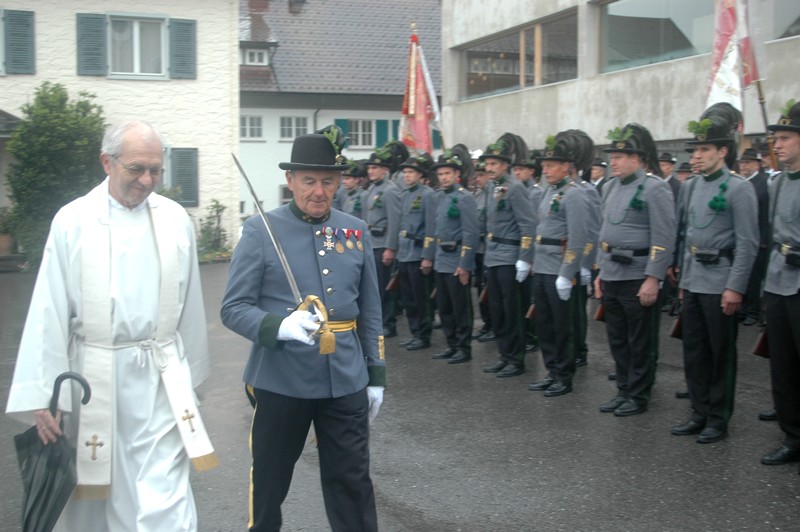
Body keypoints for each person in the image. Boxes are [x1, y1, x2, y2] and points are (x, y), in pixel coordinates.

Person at [6, 120, 213, 530]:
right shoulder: (73, 221)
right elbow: (48, 309)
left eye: (155, 170)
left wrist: (190, 378)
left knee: (165, 499)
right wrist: (45, 393)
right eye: (136, 169)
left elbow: (189, 305)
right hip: (97, 380)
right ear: (107, 162)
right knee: (98, 498)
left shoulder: (174, 219)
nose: (147, 180)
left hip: (160, 377)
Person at [221, 128, 385, 531]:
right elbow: (233, 308)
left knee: (352, 482)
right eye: (309, 180)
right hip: (282, 380)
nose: (318, 191)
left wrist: (376, 374)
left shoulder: (354, 230)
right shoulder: (261, 230)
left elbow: (370, 309)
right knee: (270, 481)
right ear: (290, 180)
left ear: (339, 181)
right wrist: (279, 326)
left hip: (345, 378)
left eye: (327, 181)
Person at [670, 103, 758, 444]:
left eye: (704, 149)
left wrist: (735, 287)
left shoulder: (738, 188)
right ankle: (699, 411)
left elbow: (748, 243)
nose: (696, 156)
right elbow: (685, 234)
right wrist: (682, 281)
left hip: (720, 279)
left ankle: (718, 418)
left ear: (722, 151)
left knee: (720, 353)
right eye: (695, 150)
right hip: (694, 279)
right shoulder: (691, 186)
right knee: (694, 350)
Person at [594, 123, 675, 417]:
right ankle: (624, 389)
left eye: (619, 156)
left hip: (637, 275)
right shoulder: (609, 187)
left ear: (637, 158)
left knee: (640, 340)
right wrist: (600, 272)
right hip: (612, 272)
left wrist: (653, 278)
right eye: (612, 156)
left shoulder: (655, 188)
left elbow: (664, 237)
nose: (613, 162)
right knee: (617, 338)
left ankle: (638, 395)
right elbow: (603, 232)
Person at [527, 132, 590, 397]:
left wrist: (567, 272)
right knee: (545, 324)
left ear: (566, 166)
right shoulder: (549, 192)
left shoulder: (574, 195)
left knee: (563, 326)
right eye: (544, 166)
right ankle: (551, 370)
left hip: (558, 268)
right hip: (542, 266)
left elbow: (578, 237)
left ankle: (564, 375)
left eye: (551, 165)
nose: (546, 170)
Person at [760, 99, 800, 469]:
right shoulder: (777, 183)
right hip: (777, 281)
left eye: (786, 138)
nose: (778, 144)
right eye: (777, 138)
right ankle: (792, 436)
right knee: (783, 366)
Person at [479, 134, 538, 378]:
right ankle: (504, 354)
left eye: (494, 164)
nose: (489, 168)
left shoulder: (515, 188)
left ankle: (516, 359)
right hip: (493, 255)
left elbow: (529, 225)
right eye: (487, 164)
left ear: (505, 165)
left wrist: (525, 257)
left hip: (510, 255)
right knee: (497, 309)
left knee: (511, 310)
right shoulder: (491, 187)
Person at [424, 150, 479, 364]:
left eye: (448, 173)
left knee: (460, 307)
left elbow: (470, 233)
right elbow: (433, 230)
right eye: (441, 174)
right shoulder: (438, 197)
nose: (444, 177)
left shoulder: (464, 197)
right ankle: (452, 344)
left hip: (456, 258)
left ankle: (464, 348)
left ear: (456, 174)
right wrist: (429, 257)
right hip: (441, 259)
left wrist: (464, 264)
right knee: (444, 306)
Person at [396, 153, 436, 351]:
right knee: (409, 298)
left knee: (422, 299)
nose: (407, 175)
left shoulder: (427, 194)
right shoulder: (405, 194)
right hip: (405, 252)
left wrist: (427, 256)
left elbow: (431, 227)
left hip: (418, 252)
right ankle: (414, 332)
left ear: (420, 175)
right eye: (405, 172)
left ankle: (424, 334)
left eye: (411, 172)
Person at [364, 148, 402, 337]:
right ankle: (377, 322)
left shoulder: (390, 190)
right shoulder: (372, 189)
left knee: (384, 287)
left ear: (385, 169)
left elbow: (395, 222)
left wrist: (390, 248)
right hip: (371, 243)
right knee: (373, 288)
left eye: (375, 168)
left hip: (382, 245)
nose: (371, 171)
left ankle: (389, 324)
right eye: (369, 168)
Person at [737, 148, 769, 327]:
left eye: (747, 163)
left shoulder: (763, 183)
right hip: (744, 238)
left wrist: (764, 239)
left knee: (755, 278)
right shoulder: (742, 183)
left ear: (757, 165)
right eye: (742, 163)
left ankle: (753, 311)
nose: (744, 166)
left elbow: (766, 214)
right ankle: (743, 308)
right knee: (744, 275)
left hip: (758, 239)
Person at [471, 160, 495, 342]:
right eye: (477, 175)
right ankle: (487, 323)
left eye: (482, 175)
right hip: (479, 249)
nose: (478, 179)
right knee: (481, 287)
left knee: (490, 289)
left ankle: (494, 325)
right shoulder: (478, 194)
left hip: (490, 248)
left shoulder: (495, 194)